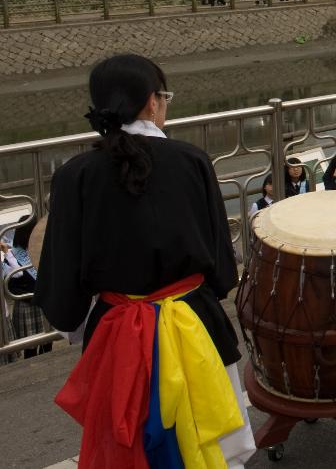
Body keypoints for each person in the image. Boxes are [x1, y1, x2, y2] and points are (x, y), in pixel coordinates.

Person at [33, 54, 255, 468]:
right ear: (152, 103)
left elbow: (63, 290)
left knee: (128, 448)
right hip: (194, 328)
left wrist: (80, 322)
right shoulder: (192, 161)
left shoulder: (74, 175)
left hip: (118, 337)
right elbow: (222, 269)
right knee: (210, 446)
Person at [2, 214, 51, 361]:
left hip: (43, 303)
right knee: (30, 348)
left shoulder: (41, 249)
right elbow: (11, 286)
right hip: (27, 305)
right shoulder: (12, 254)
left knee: (47, 343)